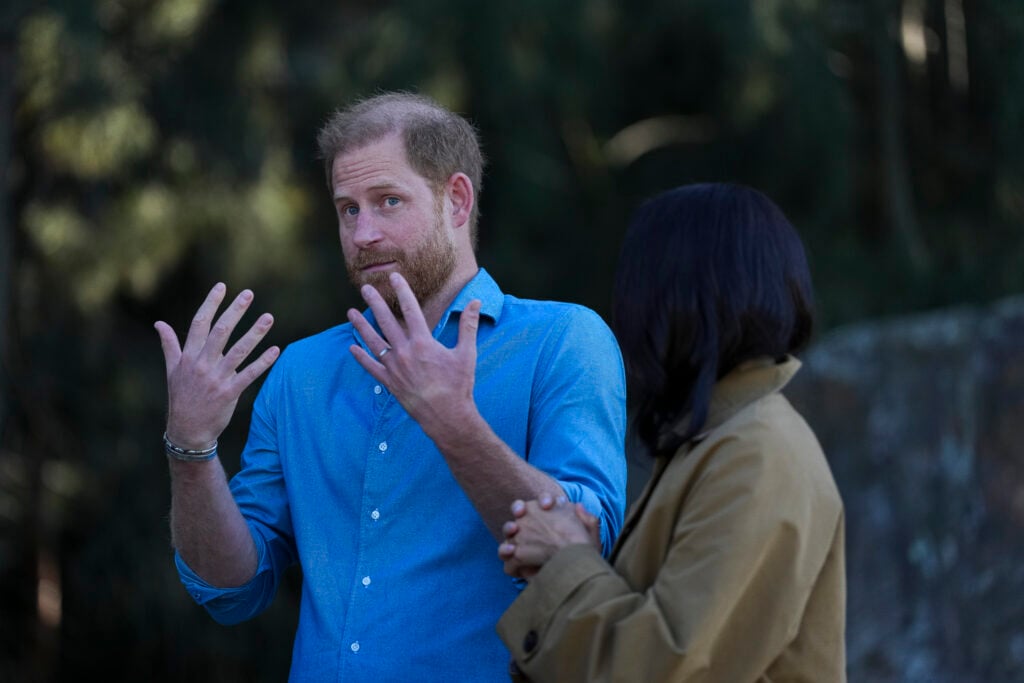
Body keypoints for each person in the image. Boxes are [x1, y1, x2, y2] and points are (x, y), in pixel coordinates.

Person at [154, 92, 627, 681]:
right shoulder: (301, 373)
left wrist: (455, 426)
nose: (363, 233)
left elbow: (580, 551)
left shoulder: (564, 341)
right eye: (348, 209)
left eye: (388, 201)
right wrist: (191, 447)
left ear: (457, 200)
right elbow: (230, 589)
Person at [496, 183, 846, 682]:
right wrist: (586, 563)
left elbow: (666, 667)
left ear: (678, 301)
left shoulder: (757, 453)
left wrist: (565, 562)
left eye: (637, 289)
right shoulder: (719, 441)